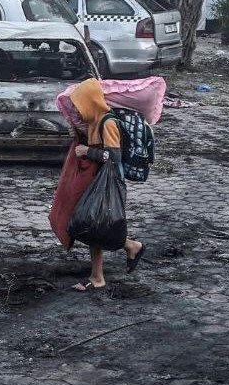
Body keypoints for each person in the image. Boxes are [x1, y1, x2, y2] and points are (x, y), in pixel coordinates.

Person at [50, 78, 158, 292]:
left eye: (81, 105)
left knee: (97, 223)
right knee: (94, 224)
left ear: (91, 102)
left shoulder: (108, 123)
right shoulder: (93, 121)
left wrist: (87, 151)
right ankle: (126, 251)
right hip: (96, 179)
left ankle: (101, 274)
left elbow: (114, 155)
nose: (79, 110)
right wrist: (78, 137)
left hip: (108, 181)